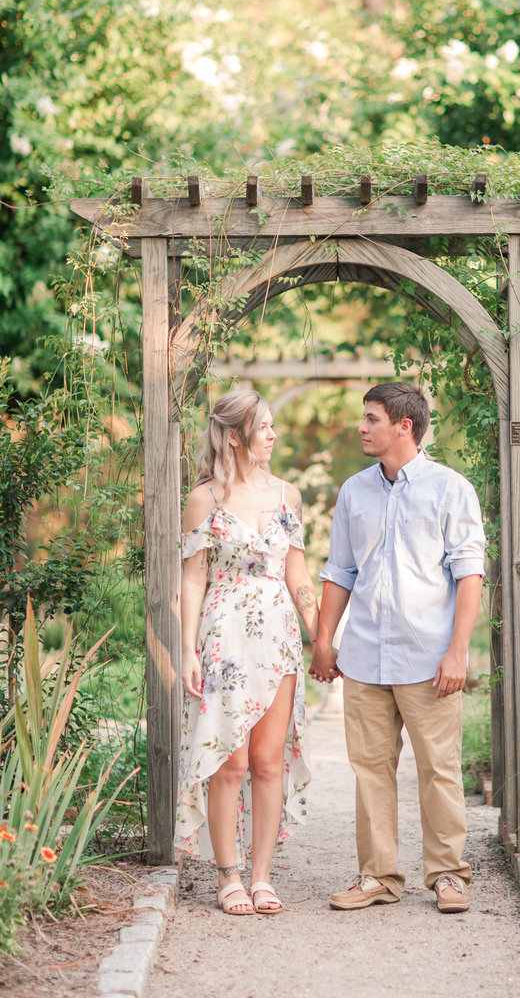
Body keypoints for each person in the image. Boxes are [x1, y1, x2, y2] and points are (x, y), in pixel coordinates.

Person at [310, 382, 485, 914]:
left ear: (403, 426)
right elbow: (340, 571)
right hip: (364, 655)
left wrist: (458, 653)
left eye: (371, 419)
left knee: (439, 768)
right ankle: (378, 877)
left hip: (428, 659)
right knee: (370, 770)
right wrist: (323, 641)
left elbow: (469, 574)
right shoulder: (353, 491)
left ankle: (448, 875)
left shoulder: (450, 489)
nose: (361, 427)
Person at [175, 390, 318, 916]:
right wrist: (188, 649)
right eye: (264, 427)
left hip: (278, 638)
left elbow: (298, 576)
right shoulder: (204, 499)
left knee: (267, 761)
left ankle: (261, 877)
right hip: (225, 638)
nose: (273, 435)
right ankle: (227, 875)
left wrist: (322, 638)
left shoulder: (288, 496)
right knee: (230, 762)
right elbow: (193, 579)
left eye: (273, 426)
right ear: (234, 436)